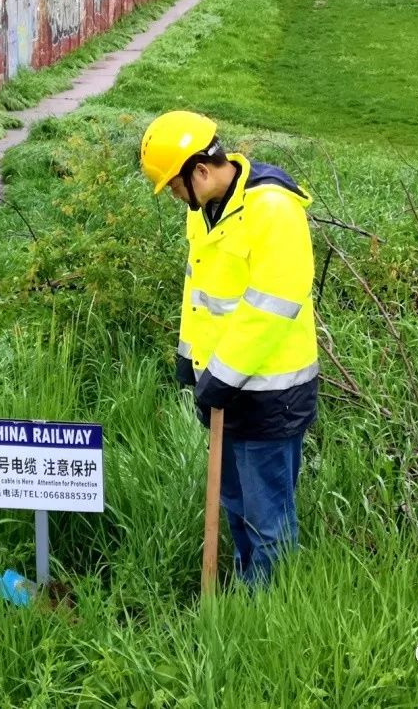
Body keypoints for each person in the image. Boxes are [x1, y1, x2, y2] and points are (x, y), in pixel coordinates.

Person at [140, 111, 319, 587]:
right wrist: (188, 356)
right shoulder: (204, 212)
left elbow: (273, 305)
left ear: (200, 169)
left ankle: (269, 616)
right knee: (236, 505)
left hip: (270, 393)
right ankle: (245, 591)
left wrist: (220, 376)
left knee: (267, 518)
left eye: (175, 187)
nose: (176, 197)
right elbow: (199, 289)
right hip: (225, 385)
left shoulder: (272, 209)